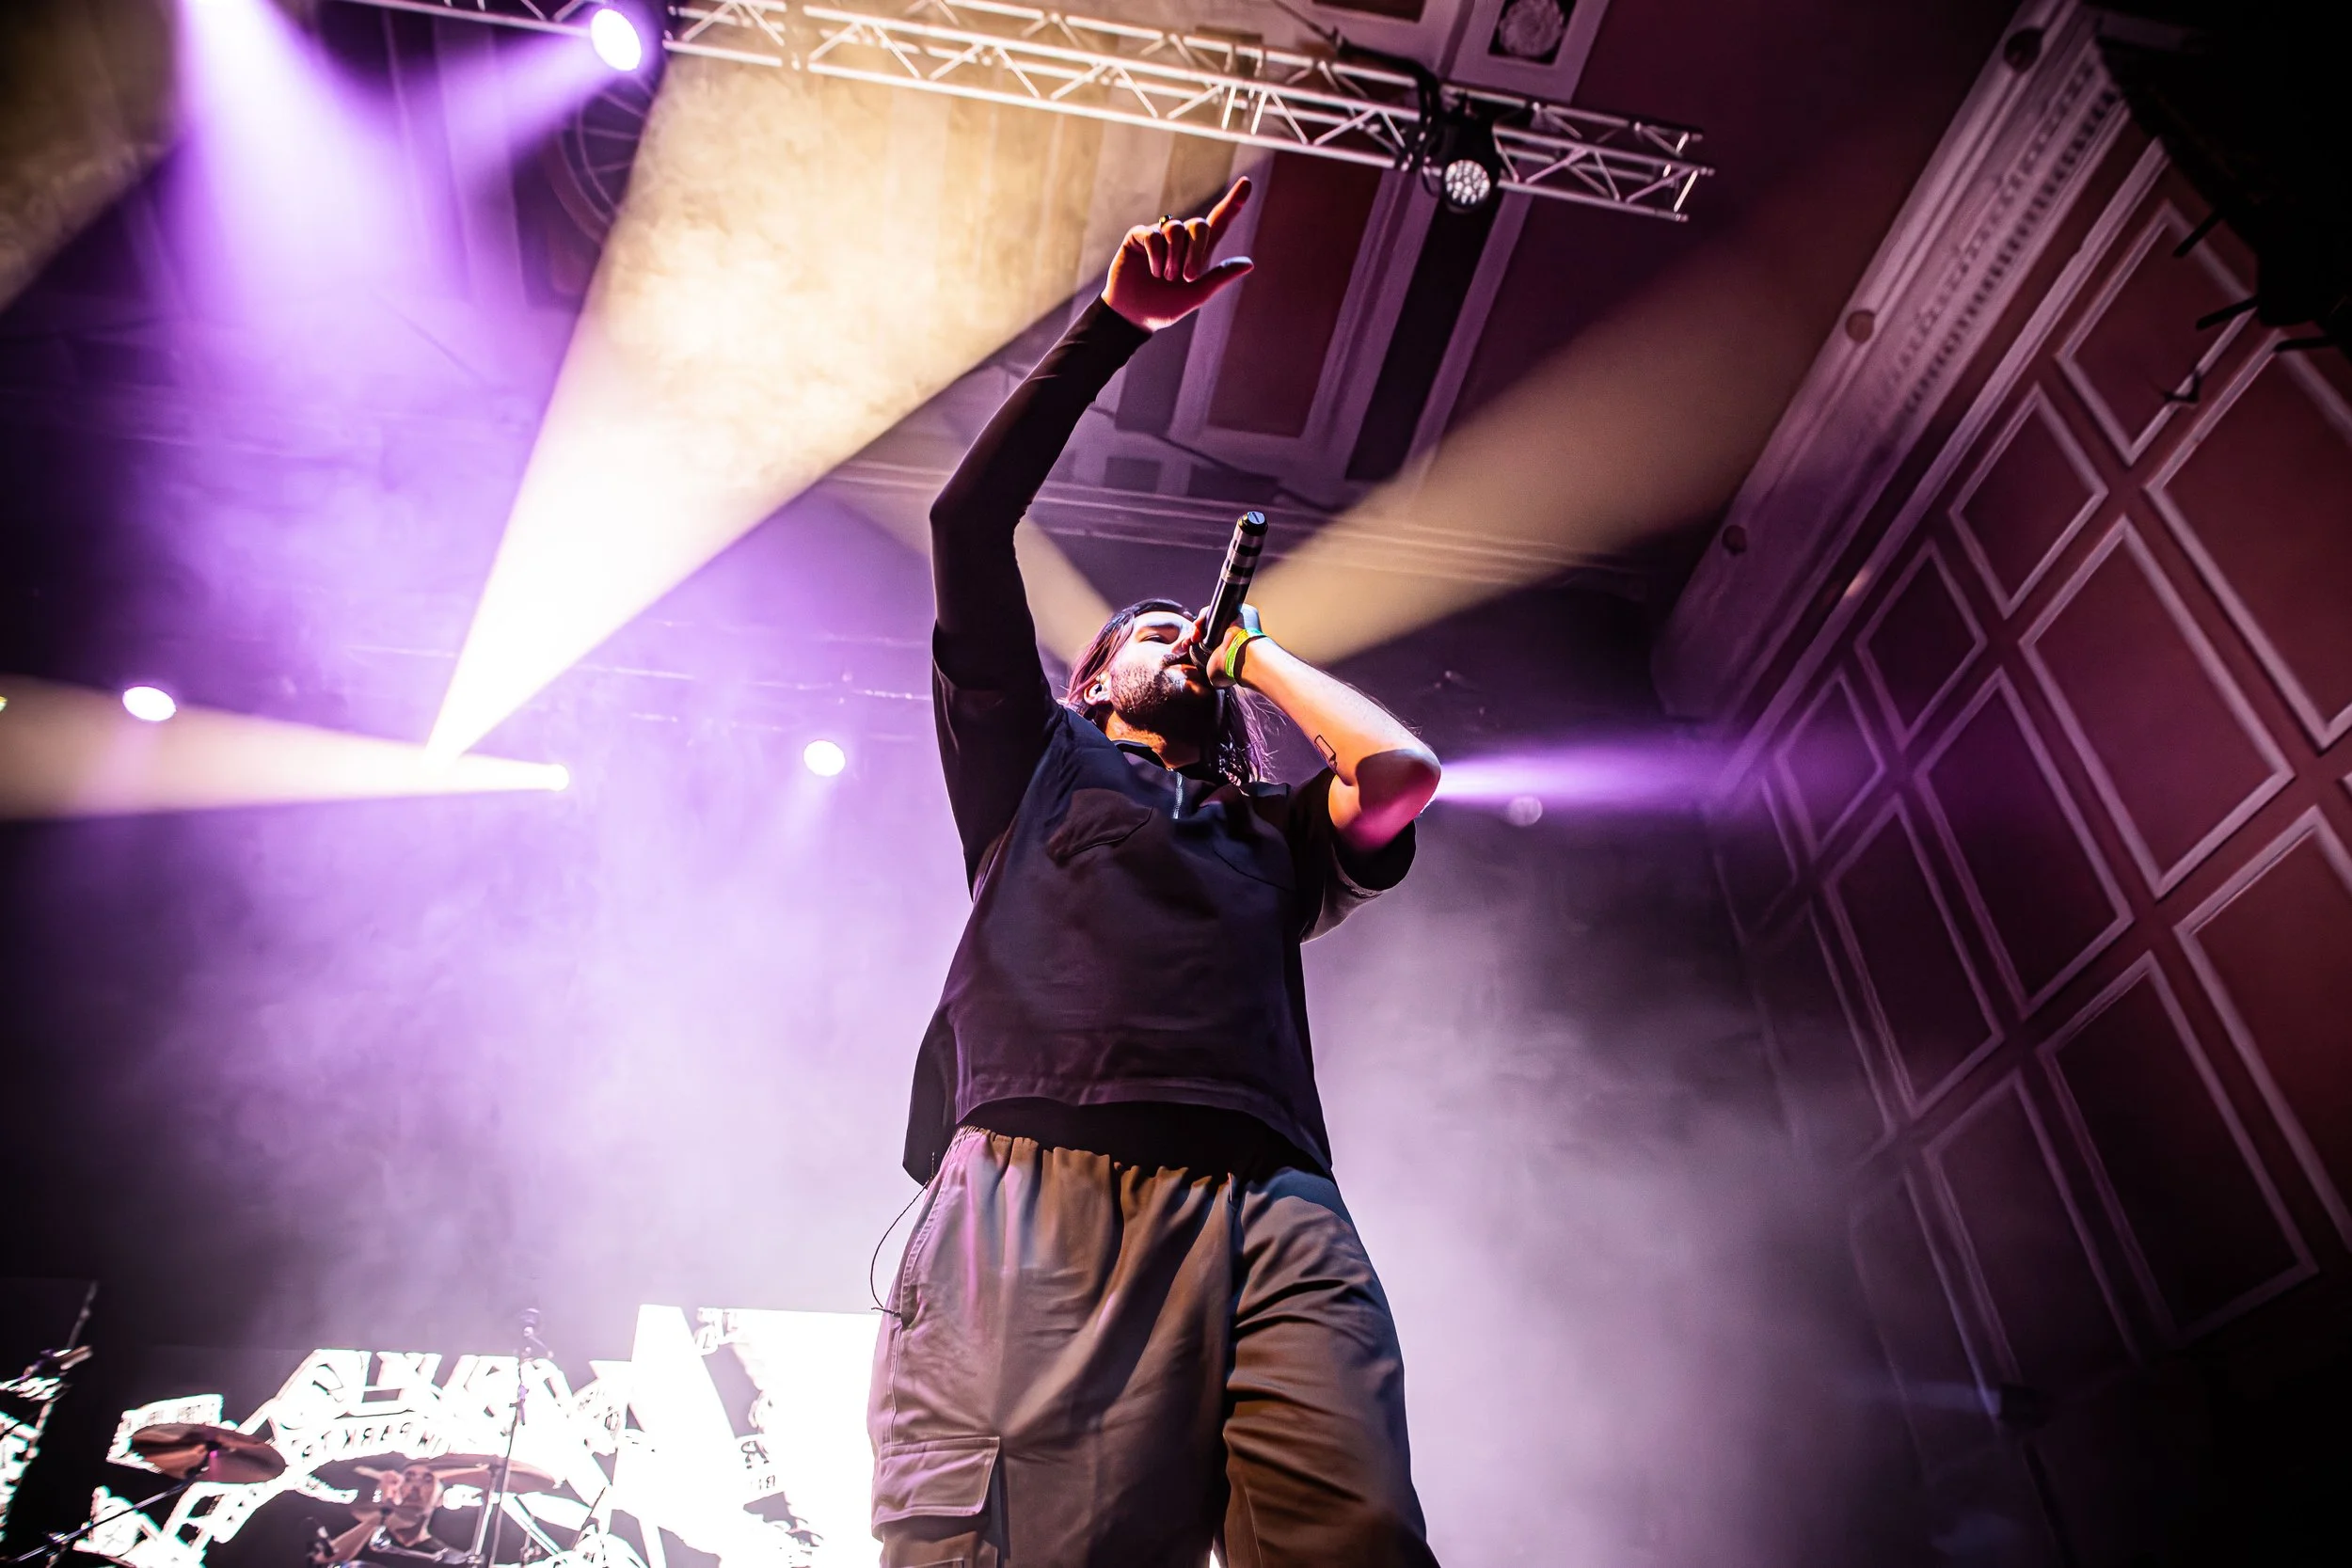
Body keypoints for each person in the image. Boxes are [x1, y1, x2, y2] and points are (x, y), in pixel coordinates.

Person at [871, 175, 1445, 1568]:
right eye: (1145, 631)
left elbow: (1401, 776)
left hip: (1271, 1197)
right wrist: (1114, 328)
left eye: (1188, 632)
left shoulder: (1271, 832)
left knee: (1356, 1531)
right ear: (1088, 677)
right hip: (1040, 1176)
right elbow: (964, 525)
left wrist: (1254, 651)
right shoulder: (1036, 759)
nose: (1172, 636)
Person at [312, 1463, 467, 1568]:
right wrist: (382, 1517)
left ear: (440, 1499)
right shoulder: (367, 1537)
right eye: (408, 1478)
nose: (415, 1485)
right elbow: (323, 1561)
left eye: (427, 1480)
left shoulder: (445, 1557)